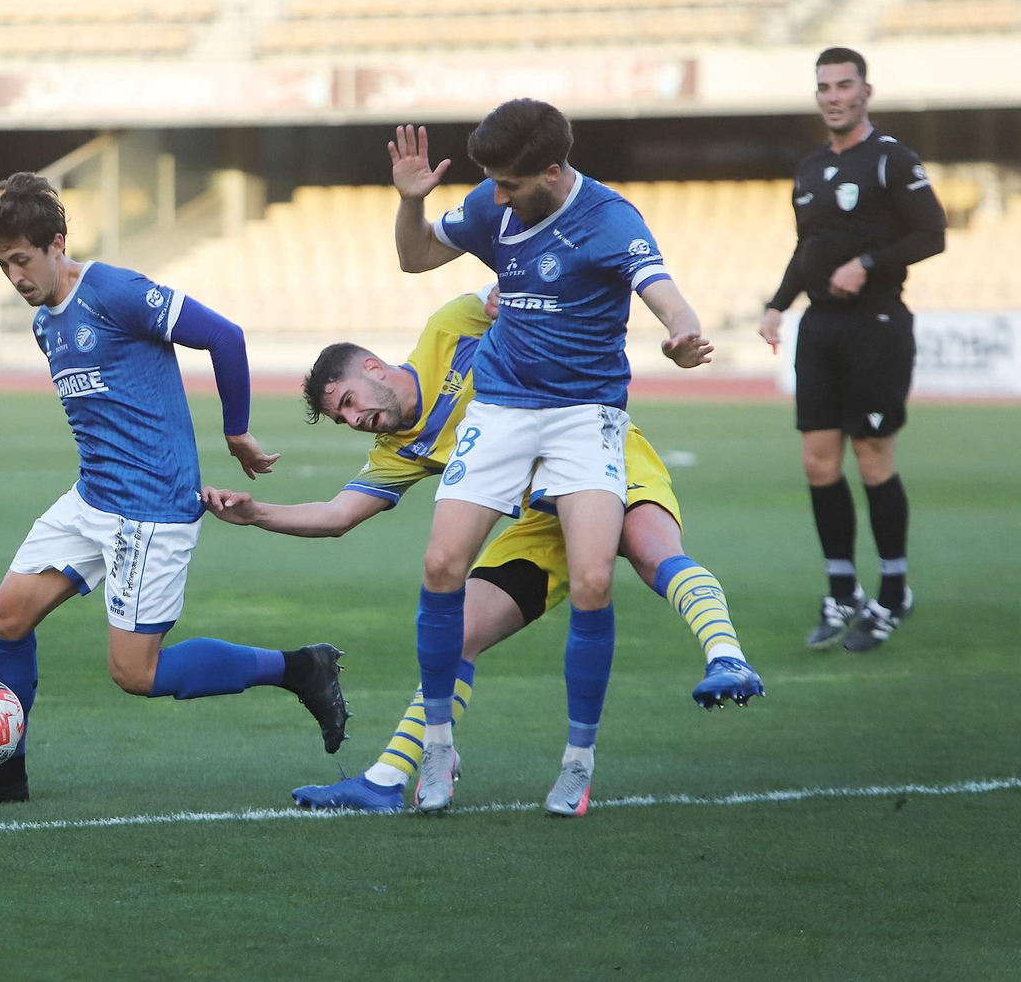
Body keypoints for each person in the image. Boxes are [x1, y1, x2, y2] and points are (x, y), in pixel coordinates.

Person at [203, 289, 763, 813]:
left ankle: (726, 656)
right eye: (342, 418)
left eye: (349, 401)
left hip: (599, 458)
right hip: (543, 520)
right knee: (460, 629)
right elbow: (338, 515)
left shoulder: (449, 328)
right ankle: (386, 780)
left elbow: (516, 288)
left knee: (649, 551)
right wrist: (256, 515)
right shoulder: (397, 446)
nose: (353, 420)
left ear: (373, 367)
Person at [0, 173, 349, 806]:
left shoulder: (113, 292)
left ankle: (301, 668)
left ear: (56, 244)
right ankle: (3, 776)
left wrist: (237, 434)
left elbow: (224, 336)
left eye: (21, 259)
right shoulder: (46, 325)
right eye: (2, 264)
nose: (14, 276)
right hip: (93, 497)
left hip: (149, 510)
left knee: (134, 673)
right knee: (5, 618)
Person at [388, 104, 713, 815]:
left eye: (508, 183)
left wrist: (684, 336)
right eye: (490, 183)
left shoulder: (611, 219)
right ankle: (438, 745)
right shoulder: (489, 201)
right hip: (502, 408)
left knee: (595, 577)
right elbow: (414, 257)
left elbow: (670, 301)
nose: (495, 198)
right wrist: (411, 205)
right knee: (441, 566)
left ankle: (577, 760)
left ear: (552, 171)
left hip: (584, 416)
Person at [759, 47, 945, 653]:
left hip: (878, 325)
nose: (833, 96)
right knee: (817, 462)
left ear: (866, 91)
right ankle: (842, 590)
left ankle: (893, 592)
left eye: (844, 85)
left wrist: (867, 263)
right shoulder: (810, 168)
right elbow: (805, 247)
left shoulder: (893, 159)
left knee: (871, 457)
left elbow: (932, 235)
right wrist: (778, 303)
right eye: (824, 87)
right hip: (821, 331)